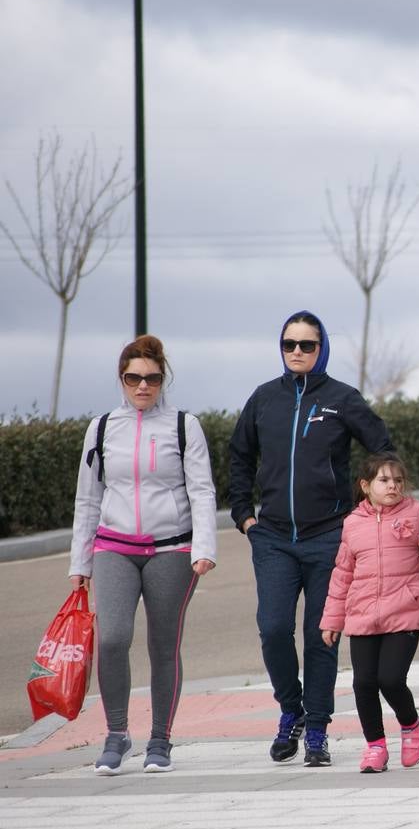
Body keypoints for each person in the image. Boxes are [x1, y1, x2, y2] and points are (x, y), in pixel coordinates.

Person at [229, 310, 394, 767]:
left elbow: (382, 449)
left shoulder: (342, 398)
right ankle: (291, 711)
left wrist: (365, 510)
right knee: (274, 629)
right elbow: (239, 457)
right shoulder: (263, 399)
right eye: (289, 345)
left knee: (321, 637)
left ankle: (317, 729)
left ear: (322, 350)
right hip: (274, 538)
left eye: (307, 345)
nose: (297, 352)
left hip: (330, 539)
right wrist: (245, 517)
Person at [69, 335, 217, 774]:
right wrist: (79, 562)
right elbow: (87, 499)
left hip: (173, 549)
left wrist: (204, 547)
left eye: (151, 378)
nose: (142, 386)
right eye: (133, 377)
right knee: (113, 638)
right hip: (113, 547)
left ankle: (160, 740)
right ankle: (116, 735)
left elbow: (202, 491)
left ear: (162, 379)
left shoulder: (183, 426)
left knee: (162, 644)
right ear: (122, 379)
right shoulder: (100, 429)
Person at [320, 454, 419, 772]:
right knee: (363, 684)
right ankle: (375, 746)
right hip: (363, 615)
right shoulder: (352, 524)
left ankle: (410, 726)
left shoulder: (416, 513)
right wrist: (332, 620)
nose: (392, 485)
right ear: (365, 486)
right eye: (384, 480)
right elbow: (342, 574)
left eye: (397, 480)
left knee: (391, 679)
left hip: (404, 611)